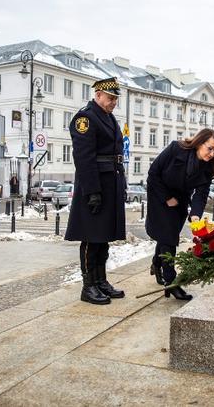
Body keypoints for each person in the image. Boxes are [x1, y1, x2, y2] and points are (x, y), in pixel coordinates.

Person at [65, 77, 126, 305]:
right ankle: (88, 285)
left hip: (110, 182)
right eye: (111, 98)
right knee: (92, 237)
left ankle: (100, 281)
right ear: (98, 94)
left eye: (115, 99)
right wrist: (92, 191)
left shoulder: (108, 118)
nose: (113, 103)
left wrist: (122, 184)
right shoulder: (85, 118)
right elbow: (84, 157)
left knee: (104, 237)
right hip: (95, 185)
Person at [145, 128, 214, 300]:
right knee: (169, 238)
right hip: (159, 195)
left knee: (168, 235)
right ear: (199, 142)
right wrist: (167, 198)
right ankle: (171, 282)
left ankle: (156, 263)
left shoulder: (208, 167)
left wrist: (195, 214)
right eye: (209, 148)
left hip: (180, 200)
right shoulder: (176, 149)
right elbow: (153, 174)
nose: (212, 154)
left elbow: (201, 194)